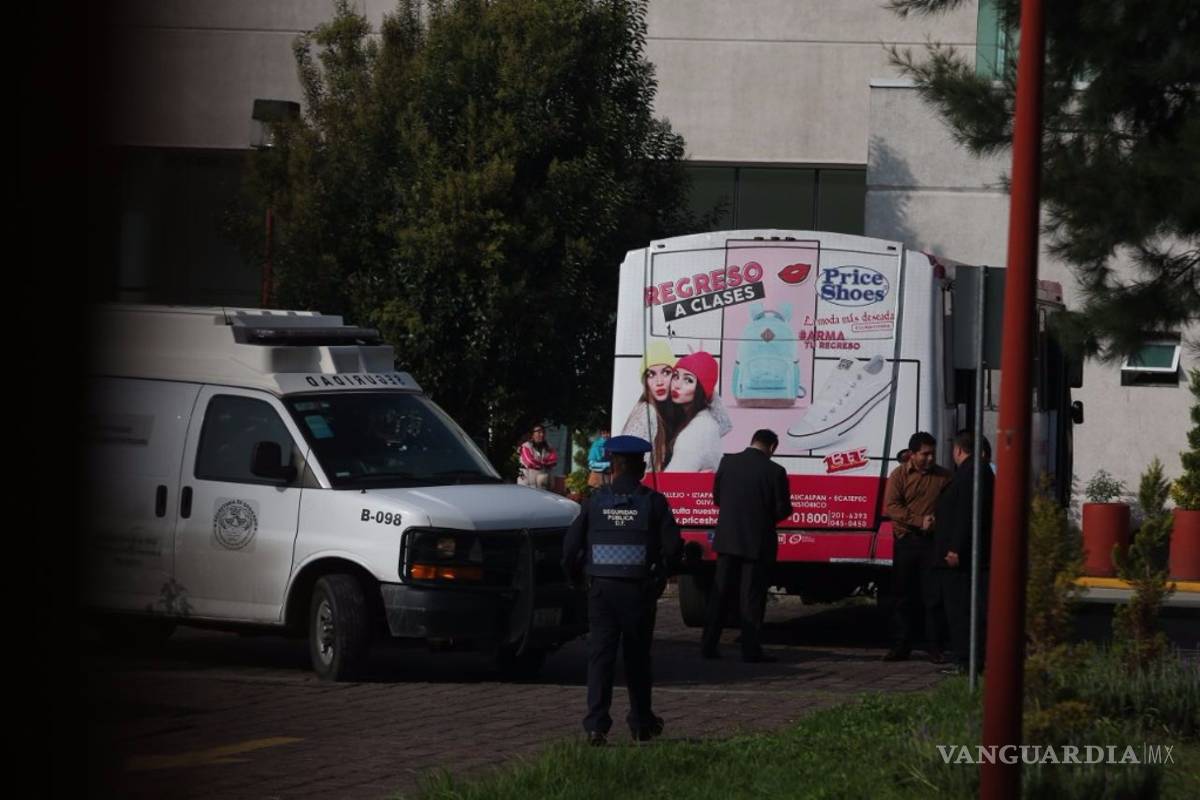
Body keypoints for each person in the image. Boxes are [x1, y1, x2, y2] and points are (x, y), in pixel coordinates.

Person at [562, 435, 683, 746]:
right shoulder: (654, 502)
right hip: (639, 591)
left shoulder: (594, 502)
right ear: (641, 467)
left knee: (600, 657)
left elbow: (570, 548)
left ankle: (596, 726)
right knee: (637, 658)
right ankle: (641, 723)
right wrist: (664, 575)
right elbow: (672, 548)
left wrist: (576, 578)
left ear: (612, 466)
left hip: (601, 590)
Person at [701, 429, 793, 662]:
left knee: (719, 594)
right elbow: (782, 509)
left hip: (728, 539)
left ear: (752, 441)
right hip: (757, 542)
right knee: (751, 596)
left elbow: (717, 498)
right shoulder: (775, 471)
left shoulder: (728, 462)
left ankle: (708, 645)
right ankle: (750, 650)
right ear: (772, 447)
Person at [882, 431, 952, 662]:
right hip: (906, 541)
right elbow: (892, 506)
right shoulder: (899, 475)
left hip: (932, 543)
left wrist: (936, 521)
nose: (930, 459)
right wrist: (918, 520)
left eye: (933, 454)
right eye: (925, 454)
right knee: (902, 596)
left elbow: (952, 506)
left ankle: (934, 646)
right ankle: (901, 645)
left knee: (933, 597)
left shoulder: (944, 477)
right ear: (912, 455)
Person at [932, 430, 994, 675]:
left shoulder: (970, 474)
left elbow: (966, 515)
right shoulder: (976, 472)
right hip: (965, 553)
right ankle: (968, 659)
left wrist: (955, 548)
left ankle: (965, 661)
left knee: (960, 611)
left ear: (958, 450)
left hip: (960, 556)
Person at [663, 350, 724, 472]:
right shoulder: (706, 422)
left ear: (702, 389)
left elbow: (672, 482)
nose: (677, 385)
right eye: (676, 376)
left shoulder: (697, 430)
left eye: (688, 380)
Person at [622, 338, 676, 472]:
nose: (659, 381)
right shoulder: (647, 413)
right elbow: (633, 467)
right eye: (651, 374)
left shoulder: (667, 411)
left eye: (666, 372)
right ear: (645, 381)